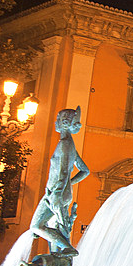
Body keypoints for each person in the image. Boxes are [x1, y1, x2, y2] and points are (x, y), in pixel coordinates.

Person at [29, 107, 89, 256]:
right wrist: (69, 183)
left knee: (36, 226)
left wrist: (57, 192)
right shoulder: (70, 144)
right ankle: (57, 263)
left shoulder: (64, 144)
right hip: (62, 191)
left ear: (64, 122)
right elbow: (85, 171)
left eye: (58, 120)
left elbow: (63, 171)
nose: (55, 123)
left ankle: (67, 249)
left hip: (55, 193)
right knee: (56, 228)